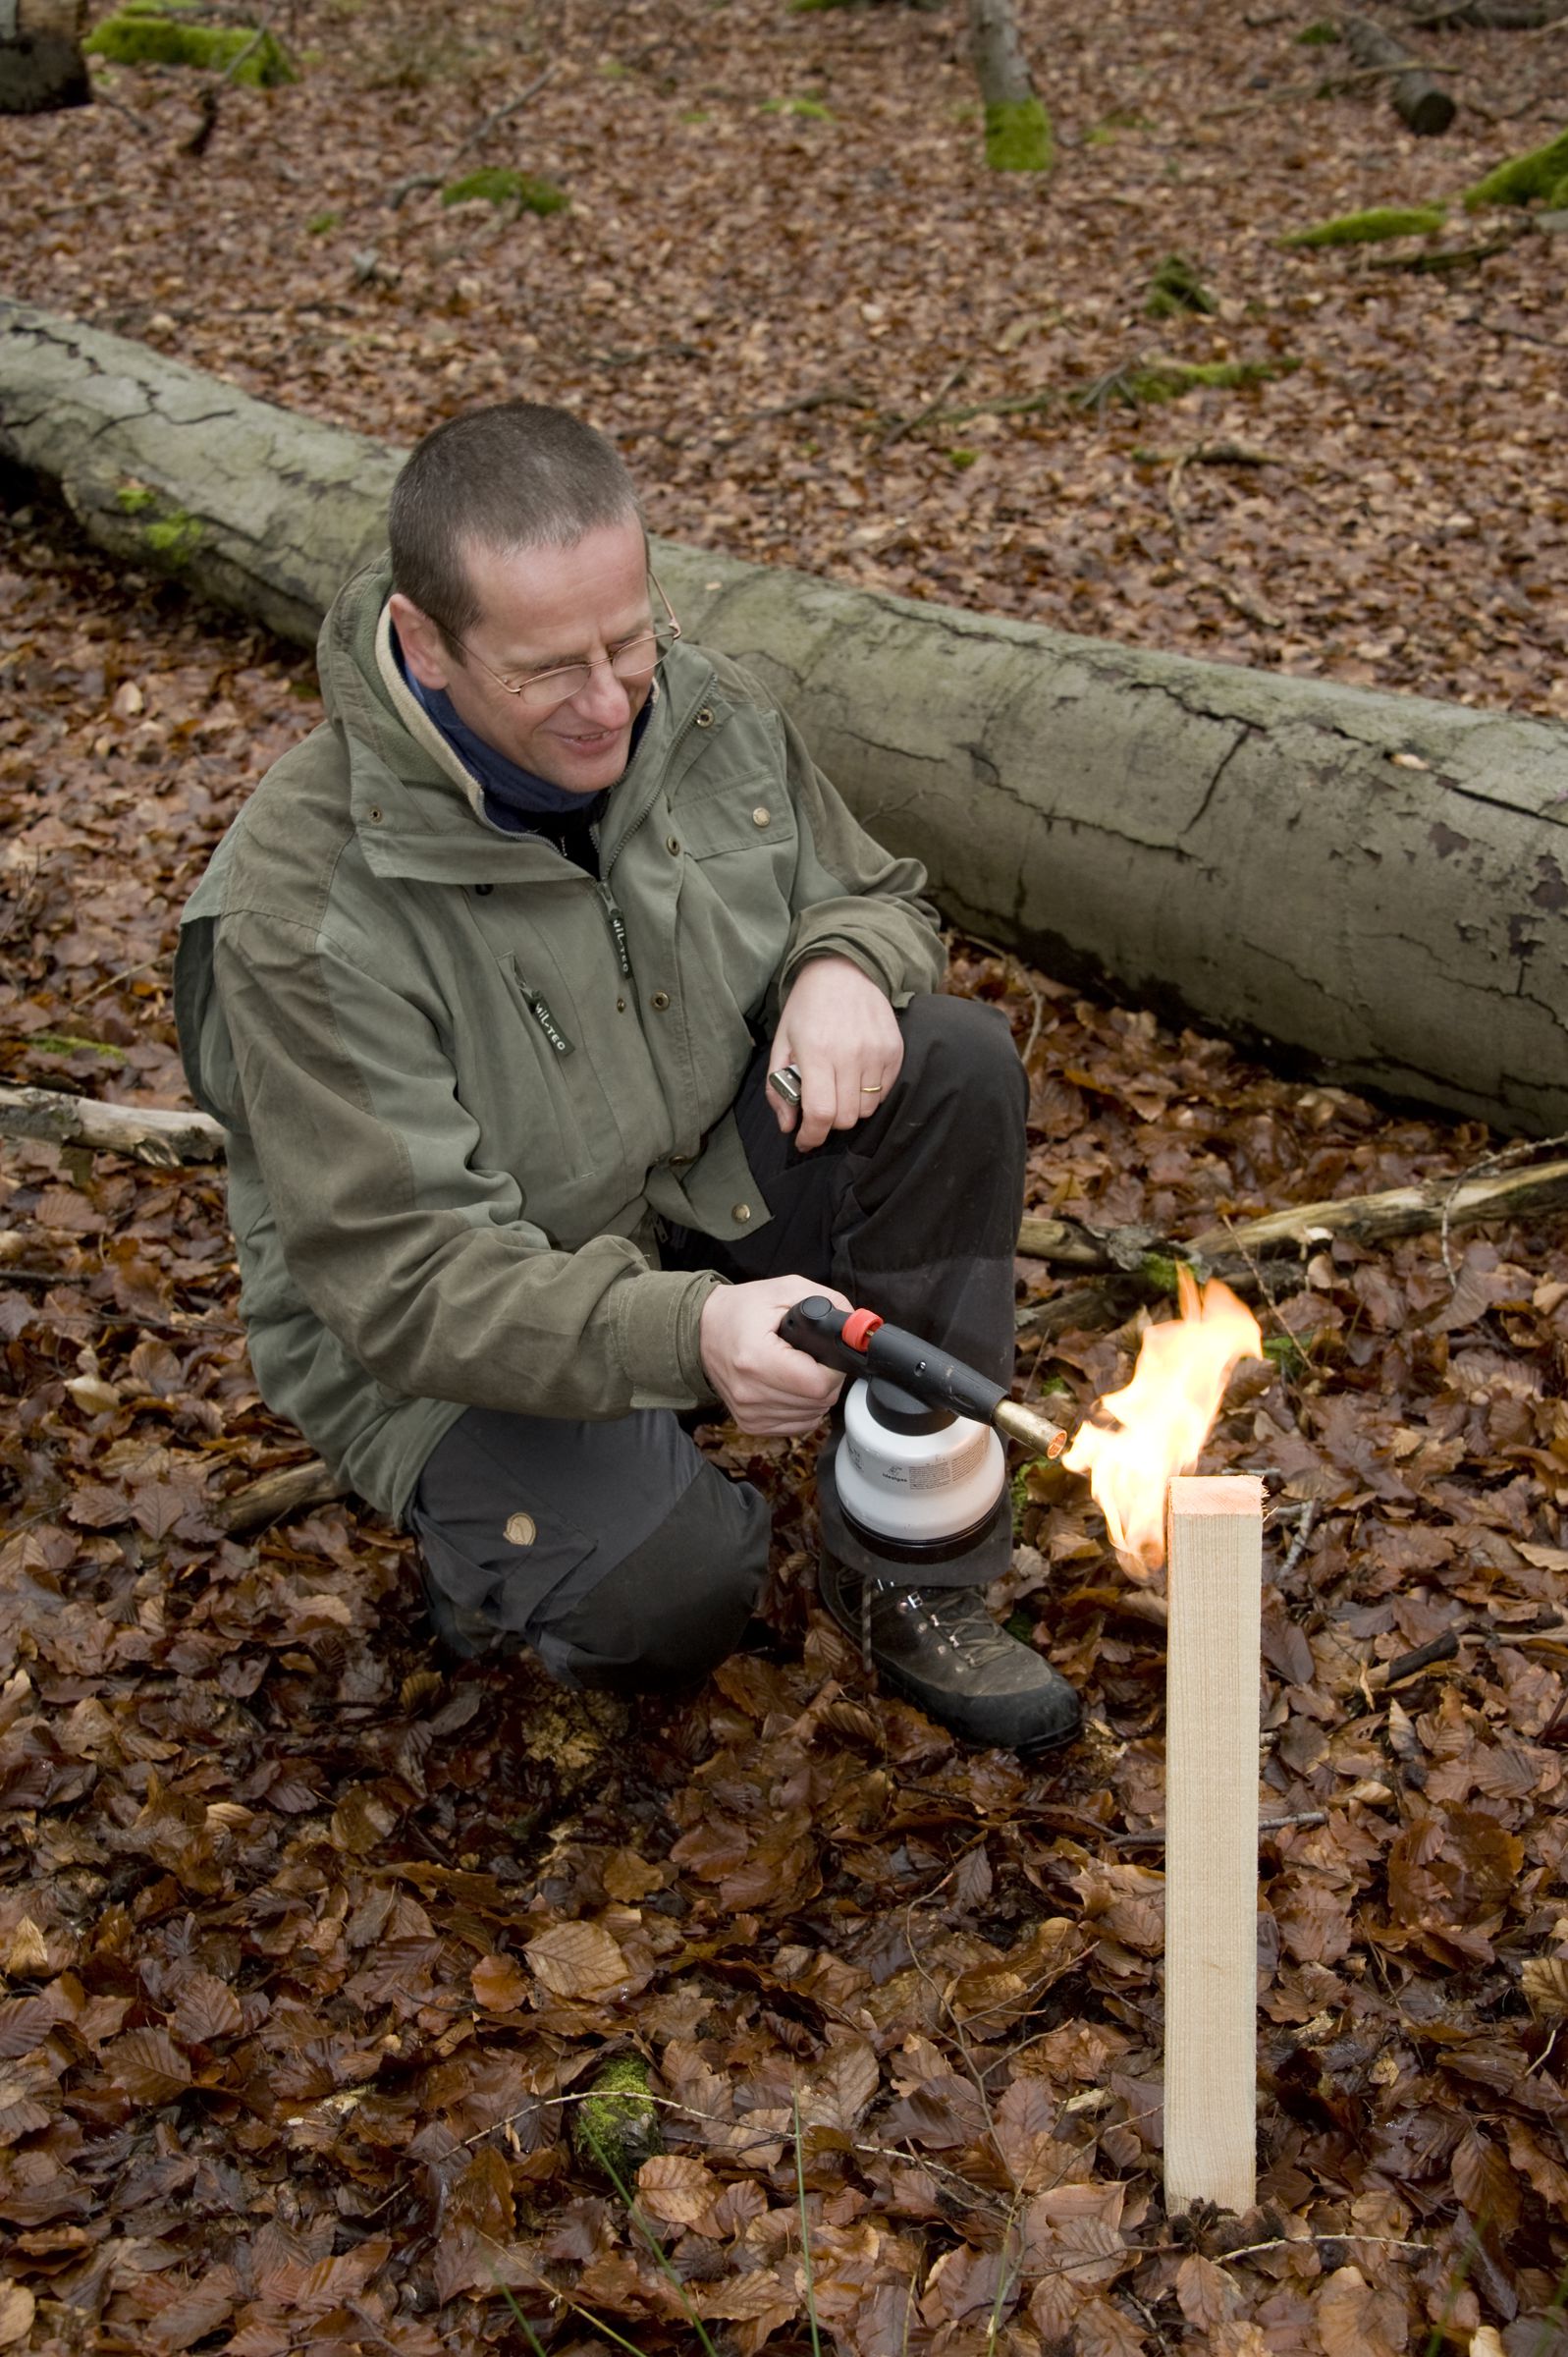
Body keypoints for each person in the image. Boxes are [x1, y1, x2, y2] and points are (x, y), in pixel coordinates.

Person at [175, 401, 1080, 1753]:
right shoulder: (306, 908)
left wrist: (840, 962)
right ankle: (514, 1551)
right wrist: (688, 1340)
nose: (609, 705)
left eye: (628, 641)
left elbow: (874, 896)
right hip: (440, 1329)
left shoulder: (707, 718)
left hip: (685, 1190)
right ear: (424, 645)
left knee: (948, 1061)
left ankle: (909, 1572)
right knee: (666, 1591)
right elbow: (407, 1284)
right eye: (546, 670)